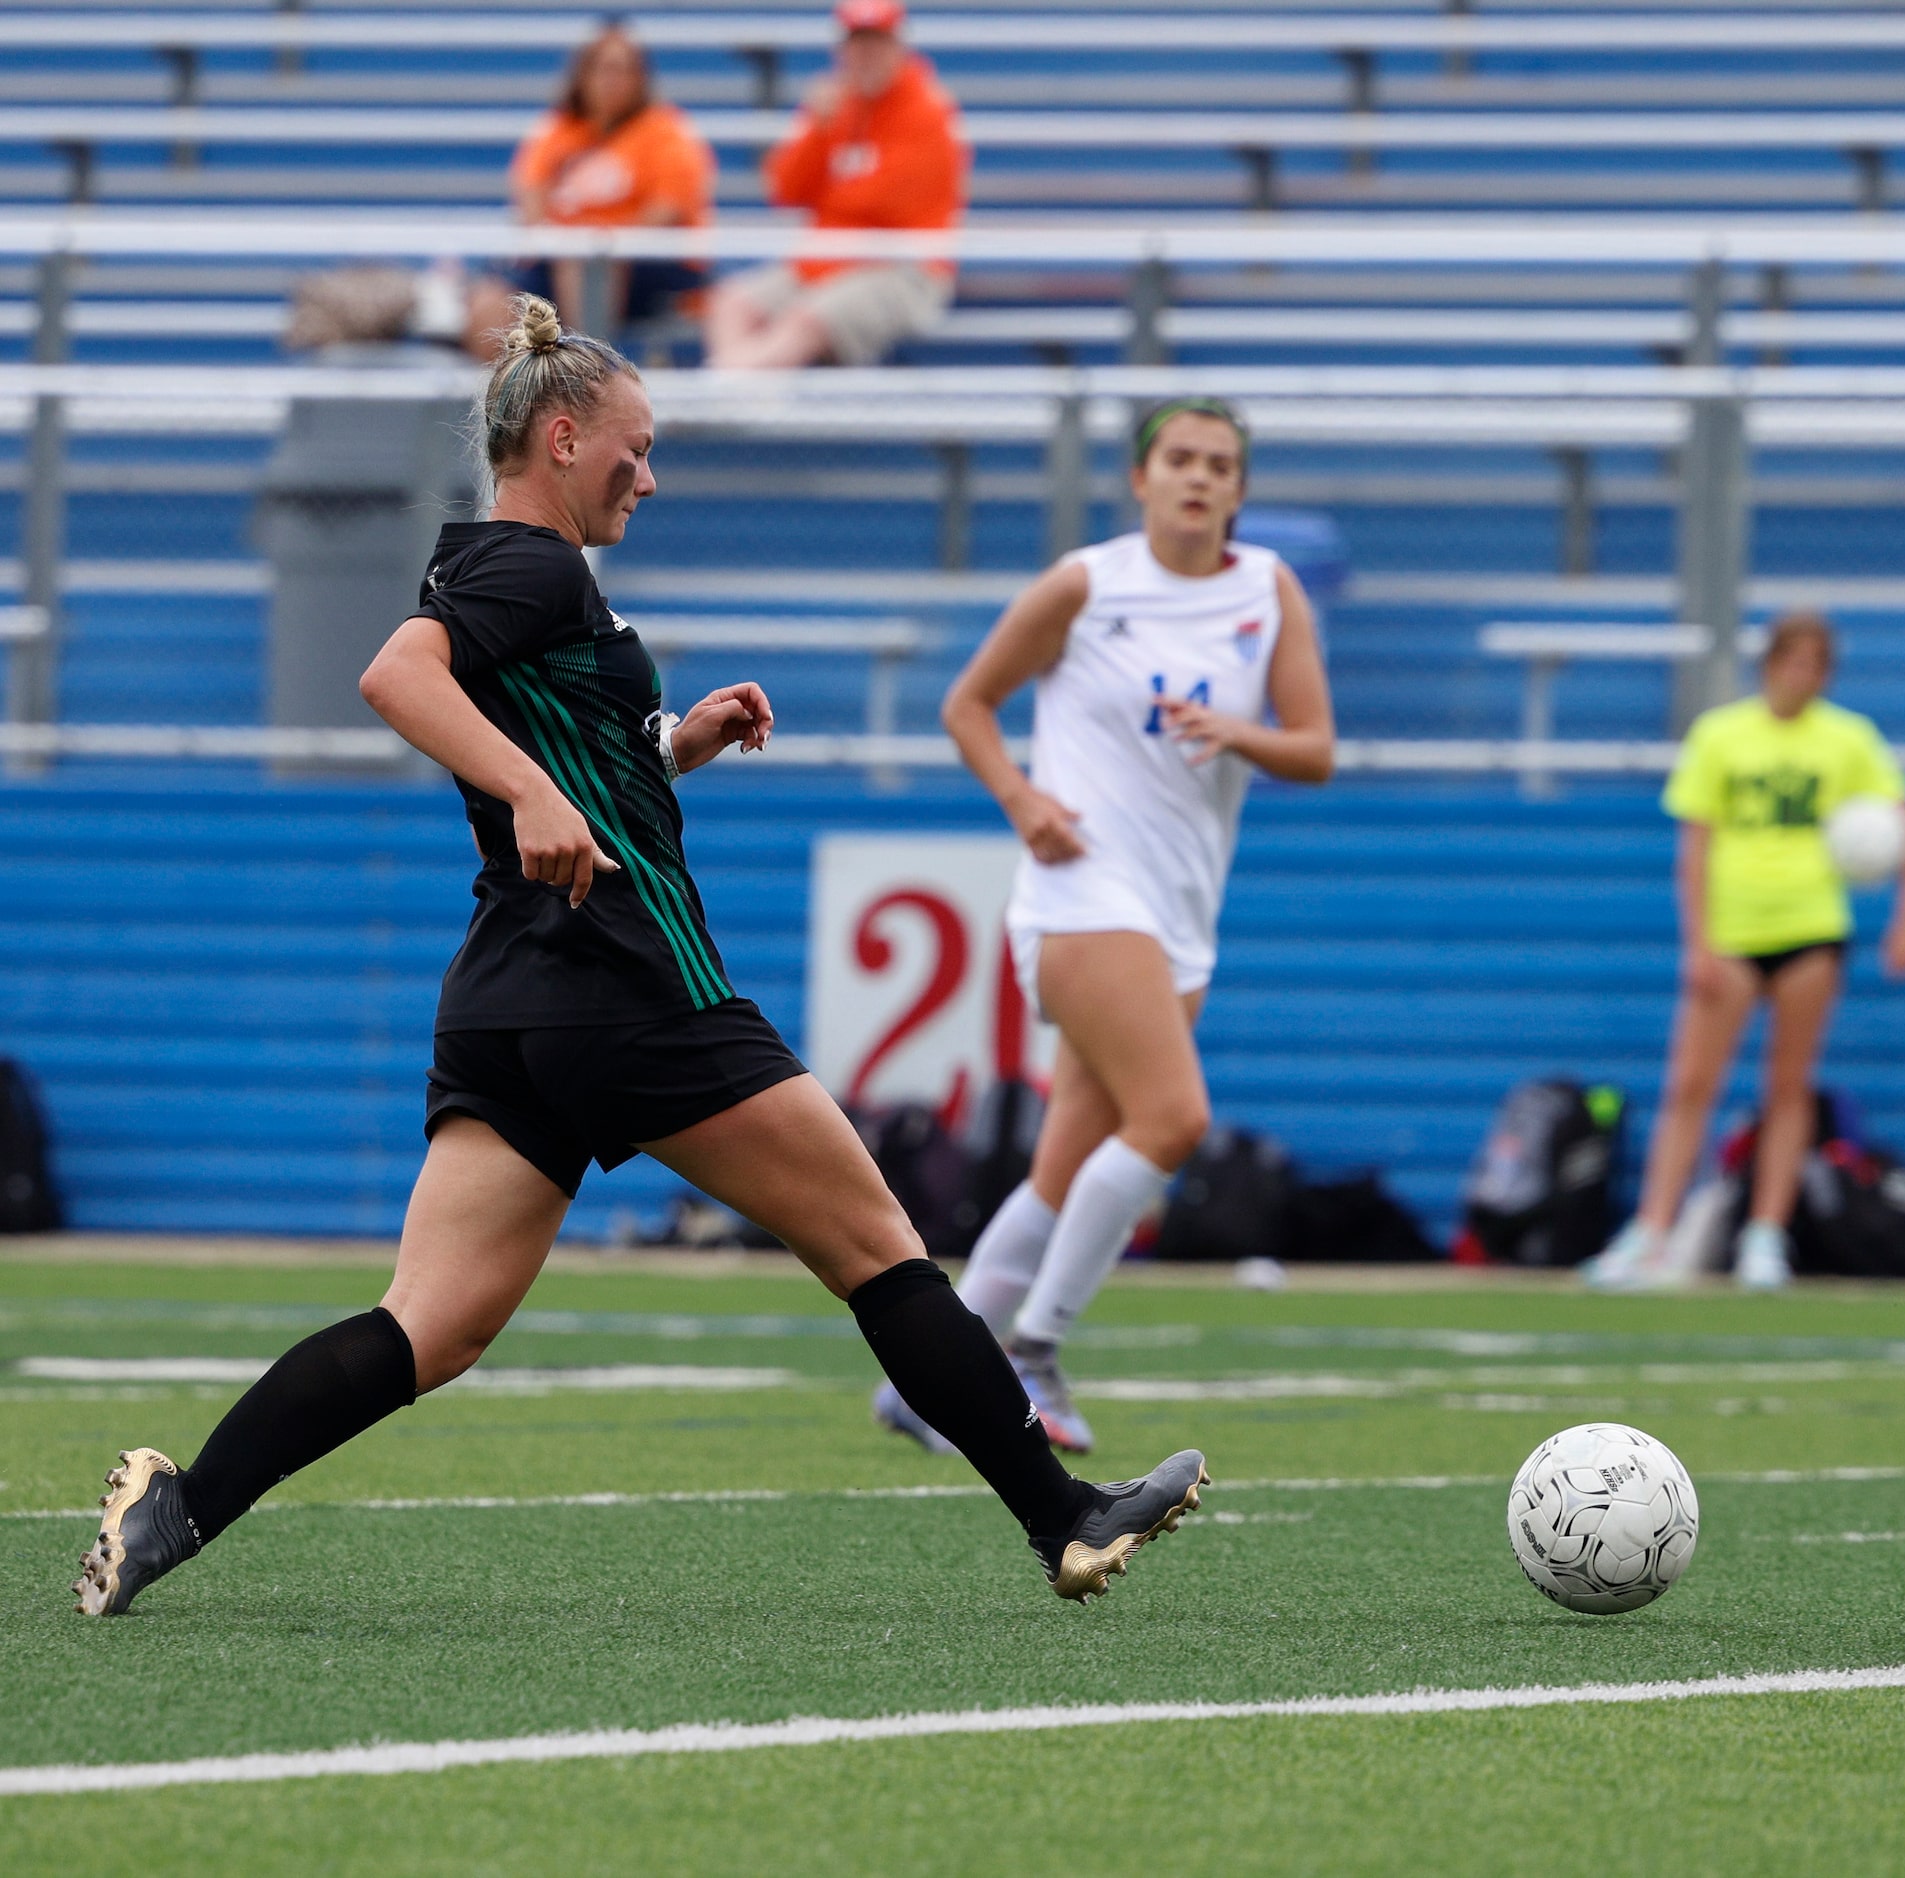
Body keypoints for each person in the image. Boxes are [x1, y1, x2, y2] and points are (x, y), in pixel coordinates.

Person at [74, 296, 1206, 1619]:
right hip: (628, 982)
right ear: (560, 436)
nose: (650, 476)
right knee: (876, 1244)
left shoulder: (524, 577)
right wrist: (539, 797)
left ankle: (179, 1507)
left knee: (429, 1327)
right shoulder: (533, 564)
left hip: (510, 998)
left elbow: (558, 754)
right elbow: (398, 676)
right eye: (636, 447)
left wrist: (676, 743)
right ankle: (1063, 1515)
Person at [876, 398, 1332, 1457]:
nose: (1199, 478)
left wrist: (1239, 731)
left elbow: (1315, 750)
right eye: (1180, 458)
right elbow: (968, 705)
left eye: (1221, 465)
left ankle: (924, 1381)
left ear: (1240, 489)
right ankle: (1031, 1352)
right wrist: (1025, 802)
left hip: (1180, 912)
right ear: (1140, 477)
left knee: (1066, 1160)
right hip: (1083, 894)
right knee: (1171, 1120)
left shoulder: (1268, 591)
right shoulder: (1087, 583)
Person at [1584, 613, 1905, 1292]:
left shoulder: (1847, 738)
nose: (1801, 676)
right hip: (1733, 933)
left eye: (1815, 665)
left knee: (1786, 1088)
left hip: (1809, 927)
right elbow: (1695, 844)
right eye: (1791, 661)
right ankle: (1650, 1232)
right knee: (1691, 1083)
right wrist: (1698, 942)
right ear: (1769, 664)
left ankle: (1764, 1237)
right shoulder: (1722, 734)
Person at [703, 0, 966, 369]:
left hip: (902, 269)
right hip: (828, 260)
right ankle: (738, 399)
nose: (866, 55)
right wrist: (817, 130)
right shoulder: (836, 106)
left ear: (898, 48)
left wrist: (837, 192)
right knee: (730, 303)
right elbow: (785, 189)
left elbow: (887, 204)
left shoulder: (929, 112)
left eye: (877, 42)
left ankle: (723, 400)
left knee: (805, 320)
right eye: (858, 44)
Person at [505, 24, 718, 336]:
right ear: (582, 75)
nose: (612, 81)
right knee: (492, 301)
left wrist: (596, 243)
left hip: (646, 264)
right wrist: (564, 239)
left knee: (588, 265)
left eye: (623, 70)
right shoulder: (558, 130)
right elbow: (531, 198)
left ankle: (586, 376)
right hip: (561, 258)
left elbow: (664, 214)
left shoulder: (665, 131)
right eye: (603, 69)